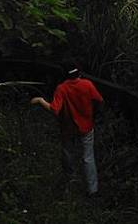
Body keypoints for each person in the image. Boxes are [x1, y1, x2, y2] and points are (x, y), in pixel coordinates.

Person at [30, 67, 104, 196]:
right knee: (88, 158)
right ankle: (93, 190)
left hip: (68, 128)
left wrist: (40, 100)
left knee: (68, 155)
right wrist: (93, 116)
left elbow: (54, 109)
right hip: (86, 126)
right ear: (79, 73)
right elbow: (99, 101)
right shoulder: (87, 84)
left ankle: (69, 183)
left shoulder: (62, 88)